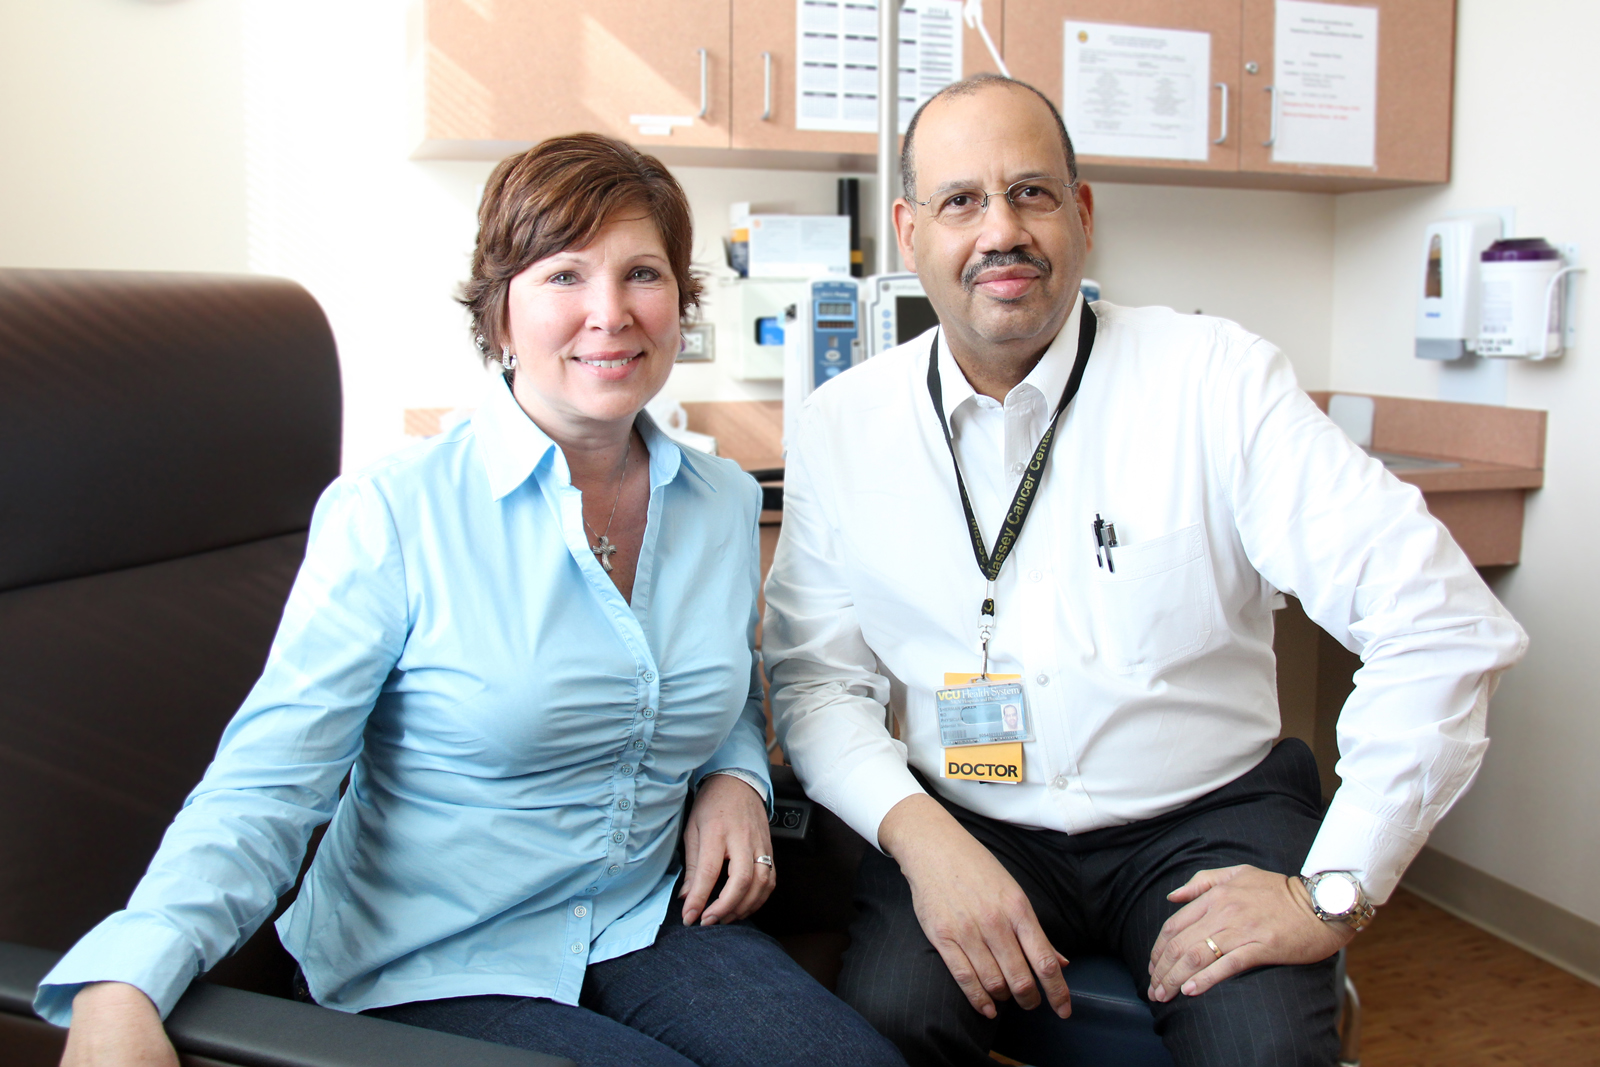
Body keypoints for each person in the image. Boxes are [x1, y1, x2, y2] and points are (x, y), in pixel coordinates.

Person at [38, 133, 905, 1067]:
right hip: (430, 960)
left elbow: (719, 684)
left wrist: (736, 773)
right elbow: (267, 785)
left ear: (681, 304)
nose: (609, 313)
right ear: (498, 313)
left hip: (641, 917)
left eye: (641, 273)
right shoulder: (395, 512)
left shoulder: (726, 503)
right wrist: (127, 977)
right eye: (563, 276)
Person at [762, 75, 1527, 1067]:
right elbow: (817, 679)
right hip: (969, 811)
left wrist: (1330, 887)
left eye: (1031, 192)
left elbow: (1441, 623)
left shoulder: (1213, 379)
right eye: (961, 201)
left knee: (1259, 1052)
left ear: (1080, 215)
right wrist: (921, 837)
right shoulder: (841, 426)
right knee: (888, 1016)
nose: (1000, 230)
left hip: (1204, 817)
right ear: (909, 233)